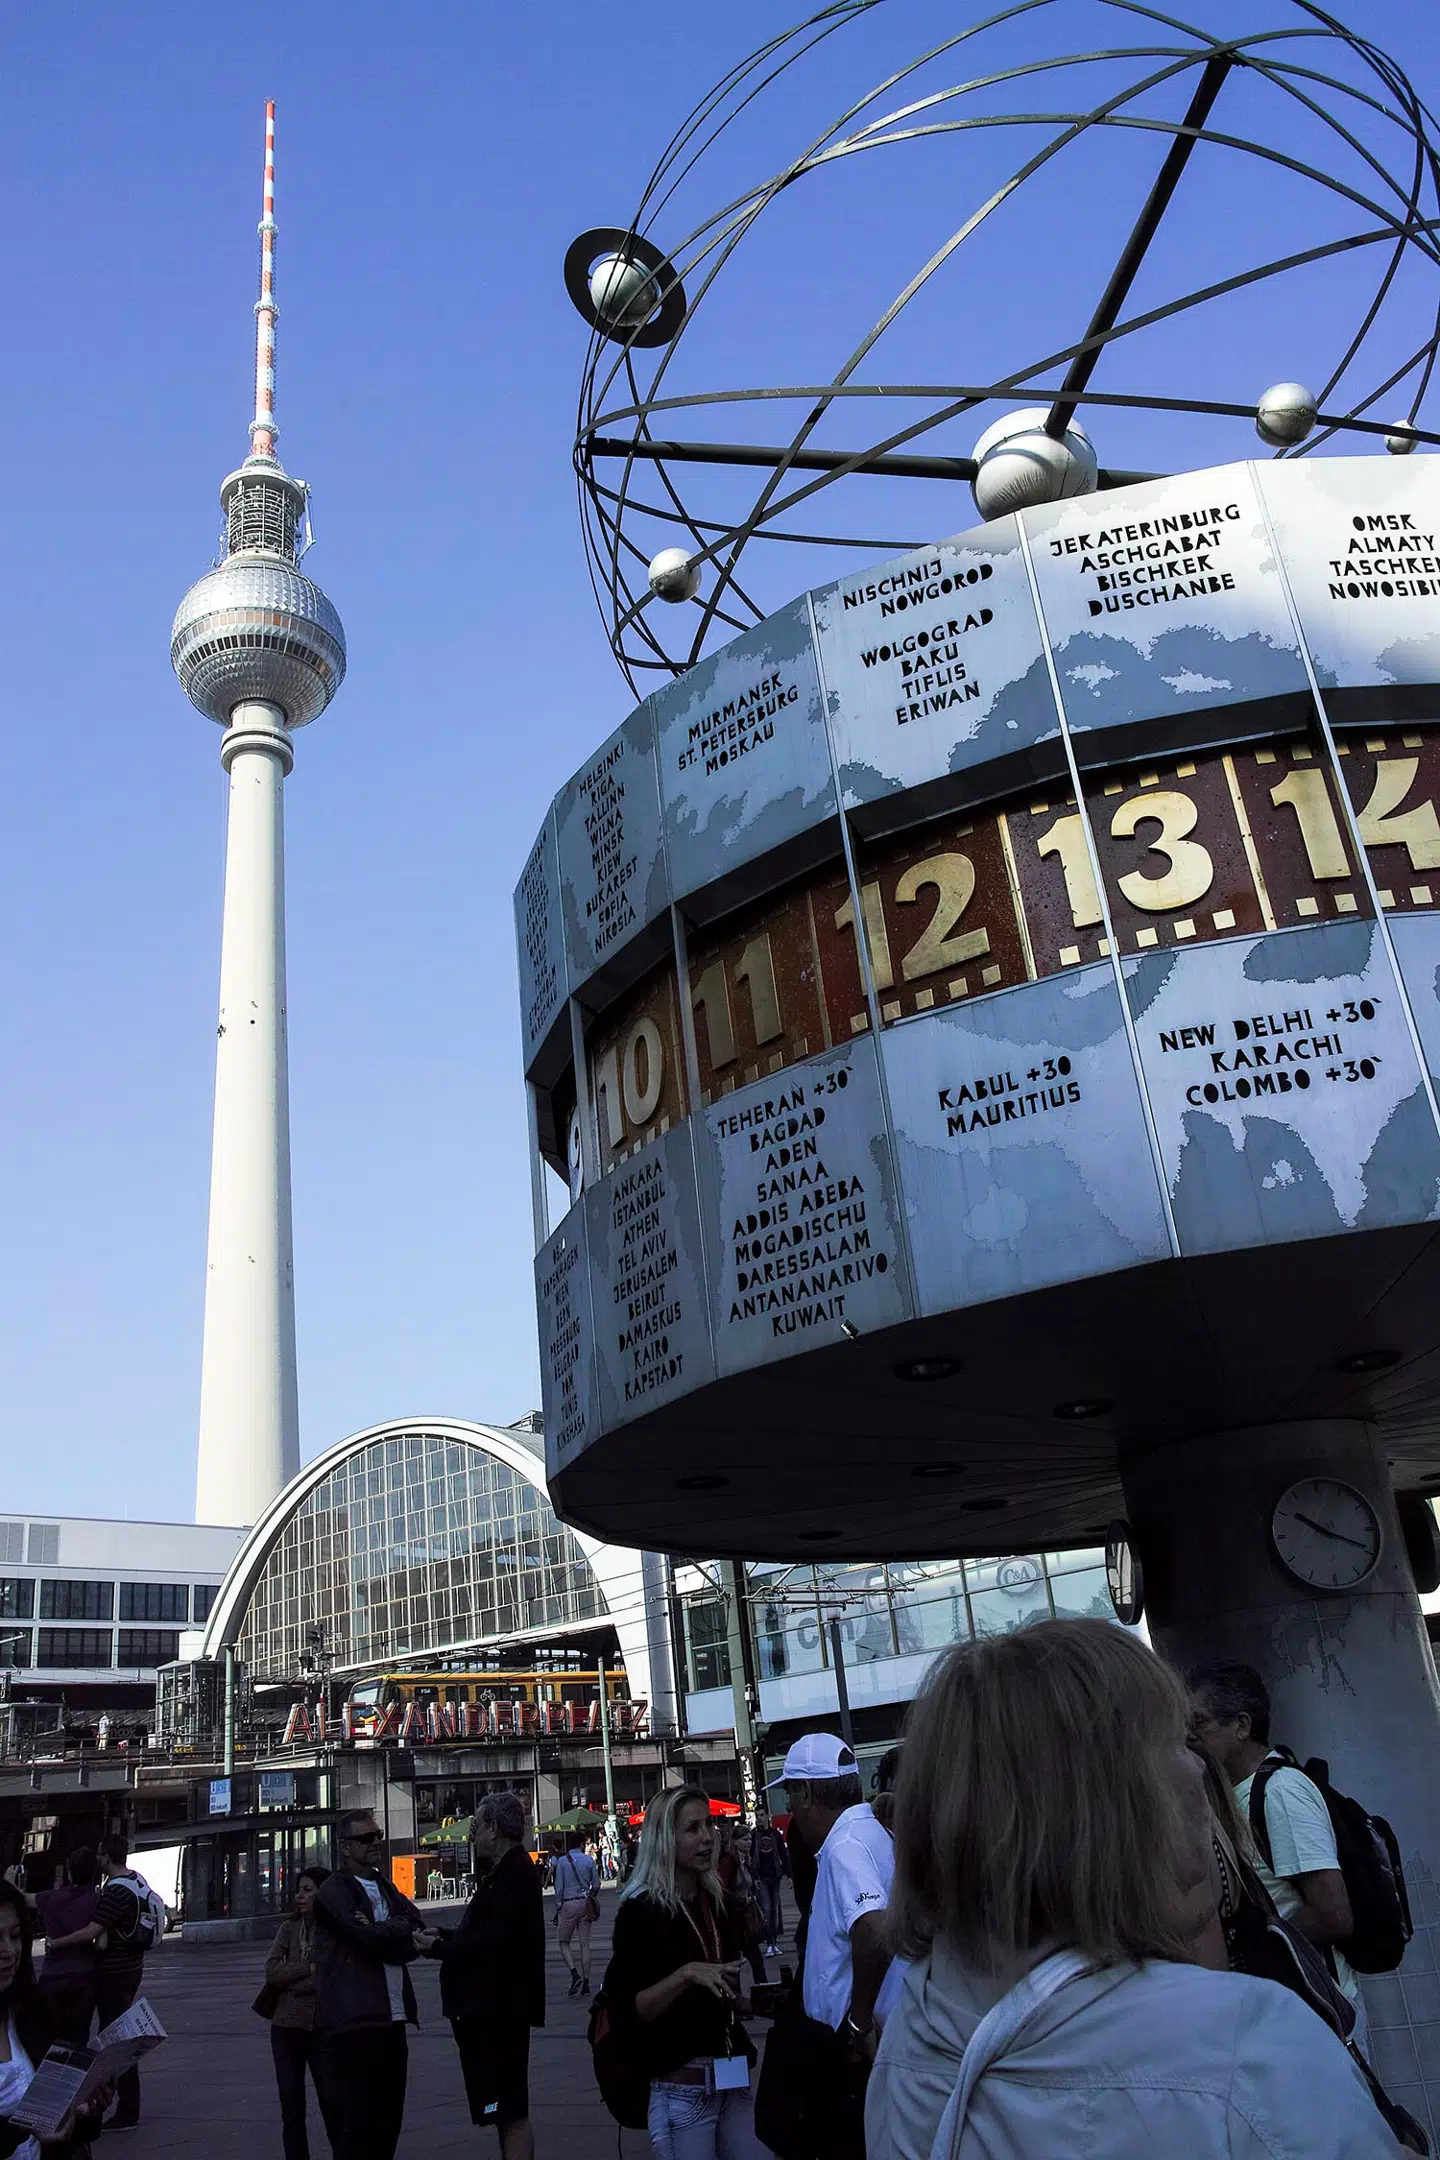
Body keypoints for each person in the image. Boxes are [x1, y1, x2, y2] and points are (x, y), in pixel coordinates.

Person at [868, 1618, 1402, 2159]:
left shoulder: (909, 2027)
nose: (1198, 1768)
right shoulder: (1248, 2046)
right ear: (1115, 1800)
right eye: (1175, 1741)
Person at [1187, 1659, 1368, 2050]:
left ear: (1241, 1726)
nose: (1189, 1737)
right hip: (1292, 2008)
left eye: (1199, 1723)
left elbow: (1332, 1913)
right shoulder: (1235, 1796)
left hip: (1320, 2009)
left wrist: (1255, 1953)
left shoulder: (1279, 1792)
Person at [603, 1785, 762, 2160]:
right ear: (665, 1839)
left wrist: (751, 2002)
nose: (708, 1837)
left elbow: (718, 1988)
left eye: (709, 1825)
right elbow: (629, 2009)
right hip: (682, 2090)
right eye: (692, 1829)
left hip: (731, 2076)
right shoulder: (641, 1913)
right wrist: (686, 1974)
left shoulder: (715, 1901)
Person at [776, 1733, 900, 2160]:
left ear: (807, 1792)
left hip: (850, 2055)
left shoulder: (845, 1847)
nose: (789, 1807)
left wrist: (857, 2023)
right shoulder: (871, 1832)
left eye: (790, 1791)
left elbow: (873, 1926)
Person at [313, 1808, 437, 2160]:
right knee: (358, 2125)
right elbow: (363, 1938)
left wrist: (389, 1930)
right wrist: (394, 1930)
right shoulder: (334, 1891)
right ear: (345, 1847)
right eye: (366, 1838)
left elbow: (415, 1923)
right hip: (356, 2021)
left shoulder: (383, 1884)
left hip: (392, 2017)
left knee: (388, 2121)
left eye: (378, 1835)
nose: (375, 1843)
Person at [430, 1791, 545, 2160]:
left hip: (500, 2011)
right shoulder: (505, 1872)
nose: (473, 1835)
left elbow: (490, 1942)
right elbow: (484, 1934)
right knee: (503, 2109)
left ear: (494, 1829)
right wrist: (444, 1938)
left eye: (477, 1827)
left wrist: (437, 1947)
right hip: (495, 2010)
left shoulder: (513, 1874)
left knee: (509, 2111)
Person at [42, 1835, 157, 2130]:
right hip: (132, 1969)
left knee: (117, 2042)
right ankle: (123, 2106)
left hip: (114, 1975)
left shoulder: (113, 1892)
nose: (98, 1860)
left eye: (100, 1855)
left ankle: (127, 2111)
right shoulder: (136, 1880)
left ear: (107, 1857)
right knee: (118, 2036)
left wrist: (57, 1943)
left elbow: (93, 1931)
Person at [0, 1878, 113, 2157]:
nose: (8, 1951)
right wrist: (27, 2128)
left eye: (15, 1935)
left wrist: (84, 2109)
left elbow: (64, 2130)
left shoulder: (32, 2010)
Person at [266, 1867, 342, 2160]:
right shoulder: (288, 1928)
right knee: (291, 2105)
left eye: (308, 1890)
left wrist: (299, 1983)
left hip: (321, 2025)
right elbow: (272, 1971)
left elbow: (331, 1973)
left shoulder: (333, 1929)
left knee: (333, 2103)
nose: (300, 1896)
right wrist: (306, 1970)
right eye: (299, 1889)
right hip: (286, 2026)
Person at [34, 1851, 99, 2047]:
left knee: (51, 2039)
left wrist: (10, 1880)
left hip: (53, 1975)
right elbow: (101, 1941)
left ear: (69, 1872)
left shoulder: (50, 1898)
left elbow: (23, 1899)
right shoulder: (96, 1900)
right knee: (78, 2037)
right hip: (83, 1975)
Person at [553, 1837, 599, 1998]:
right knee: (584, 1944)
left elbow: (559, 1887)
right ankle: (586, 1982)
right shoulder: (588, 1860)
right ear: (581, 1845)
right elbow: (597, 1884)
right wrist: (590, 1895)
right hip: (584, 1904)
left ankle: (574, 1973)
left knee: (563, 1941)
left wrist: (558, 1905)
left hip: (568, 1903)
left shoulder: (562, 1862)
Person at [747, 1809, 788, 1958]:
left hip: (774, 1875)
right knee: (767, 1909)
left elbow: (783, 1853)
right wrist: (753, 1877)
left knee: (775, 1910)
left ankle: (774, 1942)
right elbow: (750, 1855)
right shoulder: (753, 1835)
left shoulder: (774, 1834)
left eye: (761, 1815)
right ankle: (770, 1943)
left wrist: (788, 1874)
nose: (759, 1819)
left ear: (767, 1817)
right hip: (761, 1877)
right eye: (757, 1816)